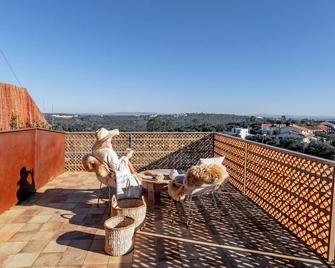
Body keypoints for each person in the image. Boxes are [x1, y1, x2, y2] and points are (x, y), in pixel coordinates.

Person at [92, 128, 141, 199]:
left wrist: (124, 158)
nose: (111, 140)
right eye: (109, 138)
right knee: (130, 167)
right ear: (106, 140)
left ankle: (135, 175)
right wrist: (128, 156)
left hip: (101, 177)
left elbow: (112, 164)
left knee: (126, 161)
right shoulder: (109, 153)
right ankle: (138, 184)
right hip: (112, 178)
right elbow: (118, 169)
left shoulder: (97, 151)